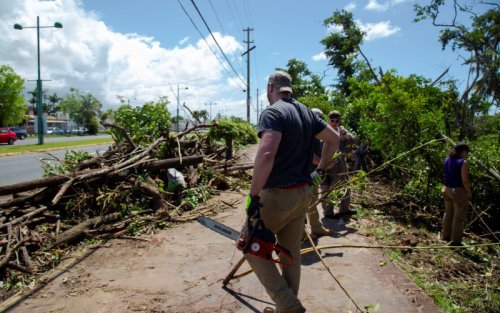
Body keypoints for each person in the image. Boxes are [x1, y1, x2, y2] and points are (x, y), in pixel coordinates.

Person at [244, 71, 339, 313]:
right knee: (290, 253)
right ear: (290, 89)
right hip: (303, 194)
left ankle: (289, 306)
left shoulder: (274, 112)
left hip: (277, 196)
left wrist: (253, 196)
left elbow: (266, 154)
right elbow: (334, 139)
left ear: (270, 88)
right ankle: (286, 309)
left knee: (250, 246)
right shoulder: (306, 112)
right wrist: (322, 167)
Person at [321, 110, 356, 219]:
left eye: (337, 120)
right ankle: (328, 212)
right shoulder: (324, 129)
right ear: (328, 120)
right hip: (329, 162)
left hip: (342, 161)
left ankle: (344, 209)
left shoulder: (341, 129)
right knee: (329, 187)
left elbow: (353, 140)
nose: (335, 123)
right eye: (332, 120)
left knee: (346, 185)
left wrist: (345, 134)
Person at [306, 108, 333, 238]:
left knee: (313, 201)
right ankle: (300, 233)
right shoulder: (307, 133)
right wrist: (324, 163)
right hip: (305, 174)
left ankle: (316, 227)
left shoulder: (317, 134)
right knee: (302, 204)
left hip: (314, 173)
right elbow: (308, 155)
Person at [441, 143, 472, 246]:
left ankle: (445, 235)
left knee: (448, 213)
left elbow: (445, 174)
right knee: (458, 217)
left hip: (446, 189)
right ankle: (455, 241)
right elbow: (465, 181)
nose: (467, 155)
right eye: (466, 152)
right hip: (458, 191)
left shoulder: (447, 159)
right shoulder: (463, 162)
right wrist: (468, 192)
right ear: (463, 151)